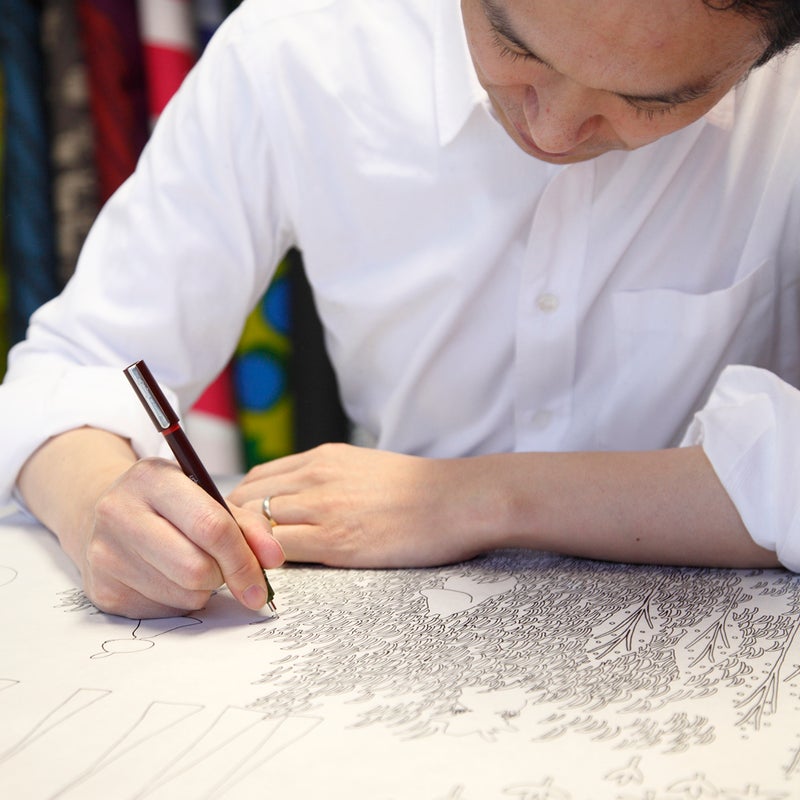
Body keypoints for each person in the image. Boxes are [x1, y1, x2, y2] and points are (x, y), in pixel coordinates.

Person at [3, 0, 800, 619]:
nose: (554, 133)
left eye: (649, 101)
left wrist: (475, 498)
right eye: (515, 47)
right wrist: (100, 503)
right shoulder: (304, 42)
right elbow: (70, 369)